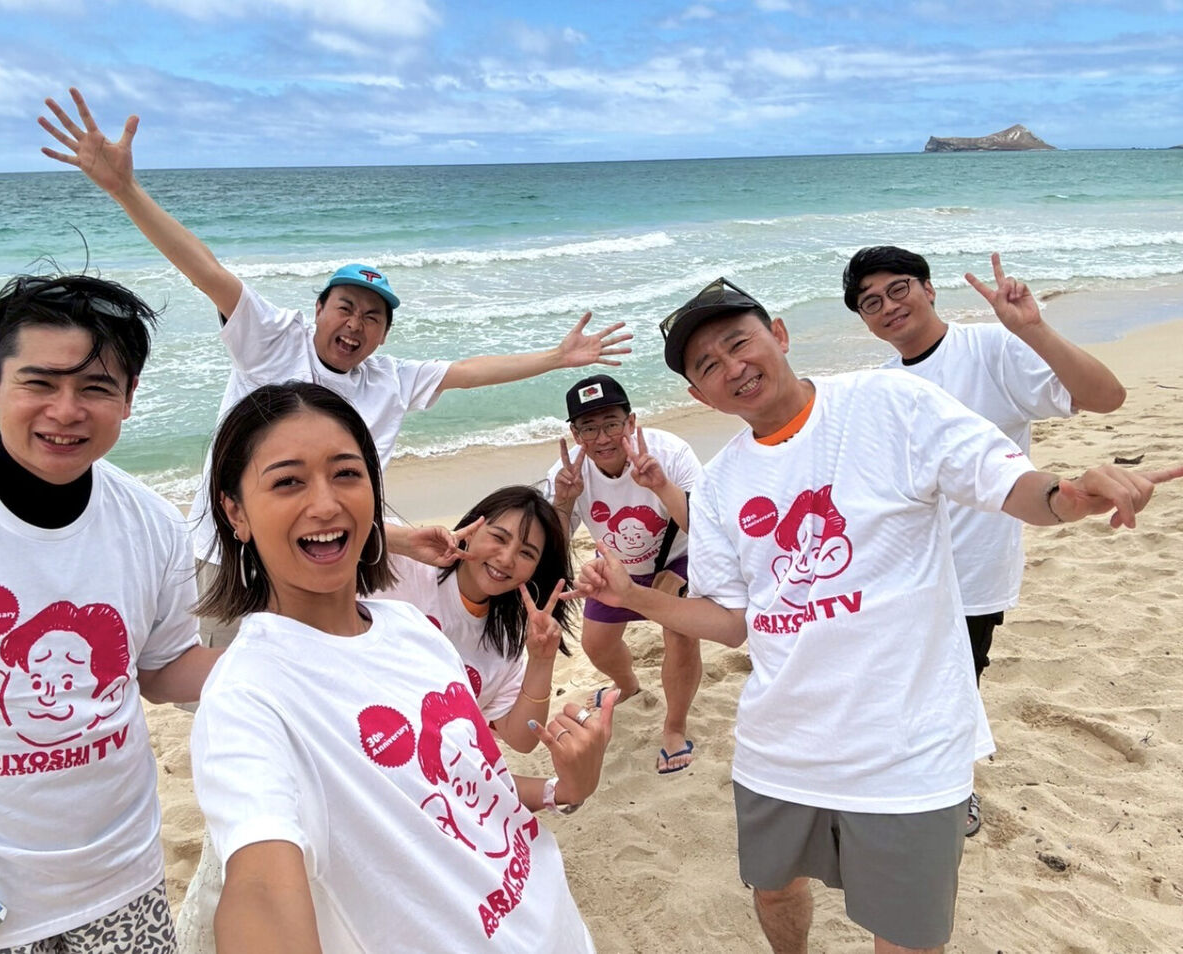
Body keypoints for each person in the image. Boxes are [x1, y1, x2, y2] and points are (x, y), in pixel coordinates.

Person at [571, 276, 1177, 954]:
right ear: (698, 396)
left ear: (779, 334)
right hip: (780, 745)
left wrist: (1071, 494)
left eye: (739, 343)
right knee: (774, 890)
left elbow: (1013, 486)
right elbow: (732, 622)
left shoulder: (888, 403)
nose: (732, 368)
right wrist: (634, 597)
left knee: (906, 934)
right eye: (707, 366)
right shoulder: (717, 486)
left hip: (907, 745)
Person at [37, 87, 632, 649]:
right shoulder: (271, 339)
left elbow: (468, 371)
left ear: (384, 335)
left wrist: (557, 358)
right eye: (345, 307)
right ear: (318, 309)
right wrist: (126, 190)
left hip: (328, 556)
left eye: (373, 317)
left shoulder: (388, 379)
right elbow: (205, 269)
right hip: (233, 552)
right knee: (223, 680)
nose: (355, 324)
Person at [188, 382, 616, 953]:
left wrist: (570, 786)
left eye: (346, 474)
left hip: (557, 925)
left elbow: (468, 781)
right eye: (288, 481)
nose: (325, 504)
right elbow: (261, 887)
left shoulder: (413, 630)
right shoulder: (247, 696)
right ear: (235, 512)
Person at [0, 273, 219, 953]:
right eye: (40, 382)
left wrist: (296, 658)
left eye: (96, 388)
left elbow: (164, 669)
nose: (66, 410)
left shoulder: (154, 524)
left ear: (129, 397)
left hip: (123, 878)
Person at [843, 246, 1126, 835]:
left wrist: (1033, 329)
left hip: (973, 570)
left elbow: (1107, 398)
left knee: (958, 683)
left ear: (928, 289)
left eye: (898, 289)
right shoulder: (879, 388)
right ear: (865, 322)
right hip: (899, 573)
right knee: (896, 682)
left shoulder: (991, 348)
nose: (888, 306)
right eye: (870, 303)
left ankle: (954, 789)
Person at [547, 374, 703, 773]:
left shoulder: (670, 453)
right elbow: (553, 549)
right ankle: (630, 687)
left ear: (631, 422)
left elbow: (704, 528)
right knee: (596, 645)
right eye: (589, 428)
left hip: (679, 561)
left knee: (681, 633)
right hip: (618, 568)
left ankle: (674, 728)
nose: (602, 438)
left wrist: (660, 485)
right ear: (575, 433)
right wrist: (564, 502)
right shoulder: (567, 473)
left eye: (612, 424)